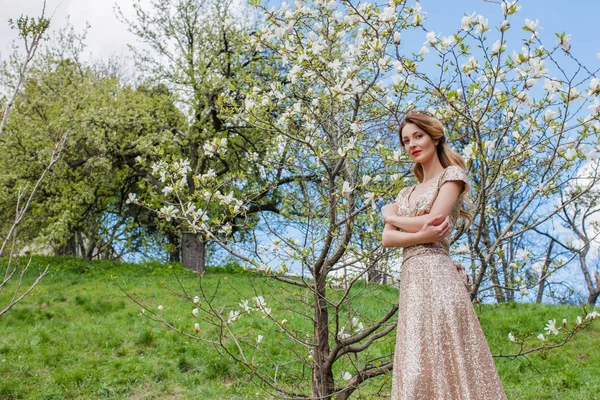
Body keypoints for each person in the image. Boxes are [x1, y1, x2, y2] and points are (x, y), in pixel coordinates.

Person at [381, 110, 507, 399]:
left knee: (450, 359)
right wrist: (419, 231)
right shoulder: (406, 193)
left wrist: (392, 216)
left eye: (418, 136)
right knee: (416, 364)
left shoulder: (453, 176)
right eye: (405, 140)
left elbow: (435, 220)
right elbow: (387, 238)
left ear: (435, 137)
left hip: (439, 278)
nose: (411, 144)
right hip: (412, 283)